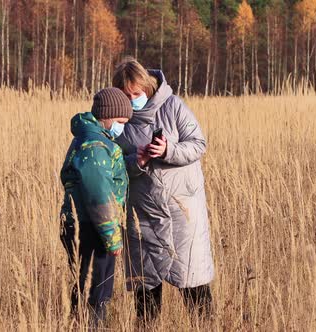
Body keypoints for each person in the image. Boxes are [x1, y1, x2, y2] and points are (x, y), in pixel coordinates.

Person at [112, 57, 214, 322]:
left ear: (147, 86)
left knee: (193, 281)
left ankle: (205, 326)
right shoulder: (118, 120)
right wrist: (138, 161)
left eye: (137, 93)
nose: (133, 98)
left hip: (182, 210)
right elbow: (113, 167)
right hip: (142, 213)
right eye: (126, 94)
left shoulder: (173, 106)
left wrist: (168, 150)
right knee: (146, 290)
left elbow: (198, 144)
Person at [59, 87, 133, 324]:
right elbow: (99, 195)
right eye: (122, 121)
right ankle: (93, 327)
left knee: (84, 284)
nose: (123, 127)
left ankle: (78, 323)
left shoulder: (88, 139)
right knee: (97, 290)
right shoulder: (96, 147)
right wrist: (112, 237)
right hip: (92, 228)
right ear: (109, 116)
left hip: (85, 225)